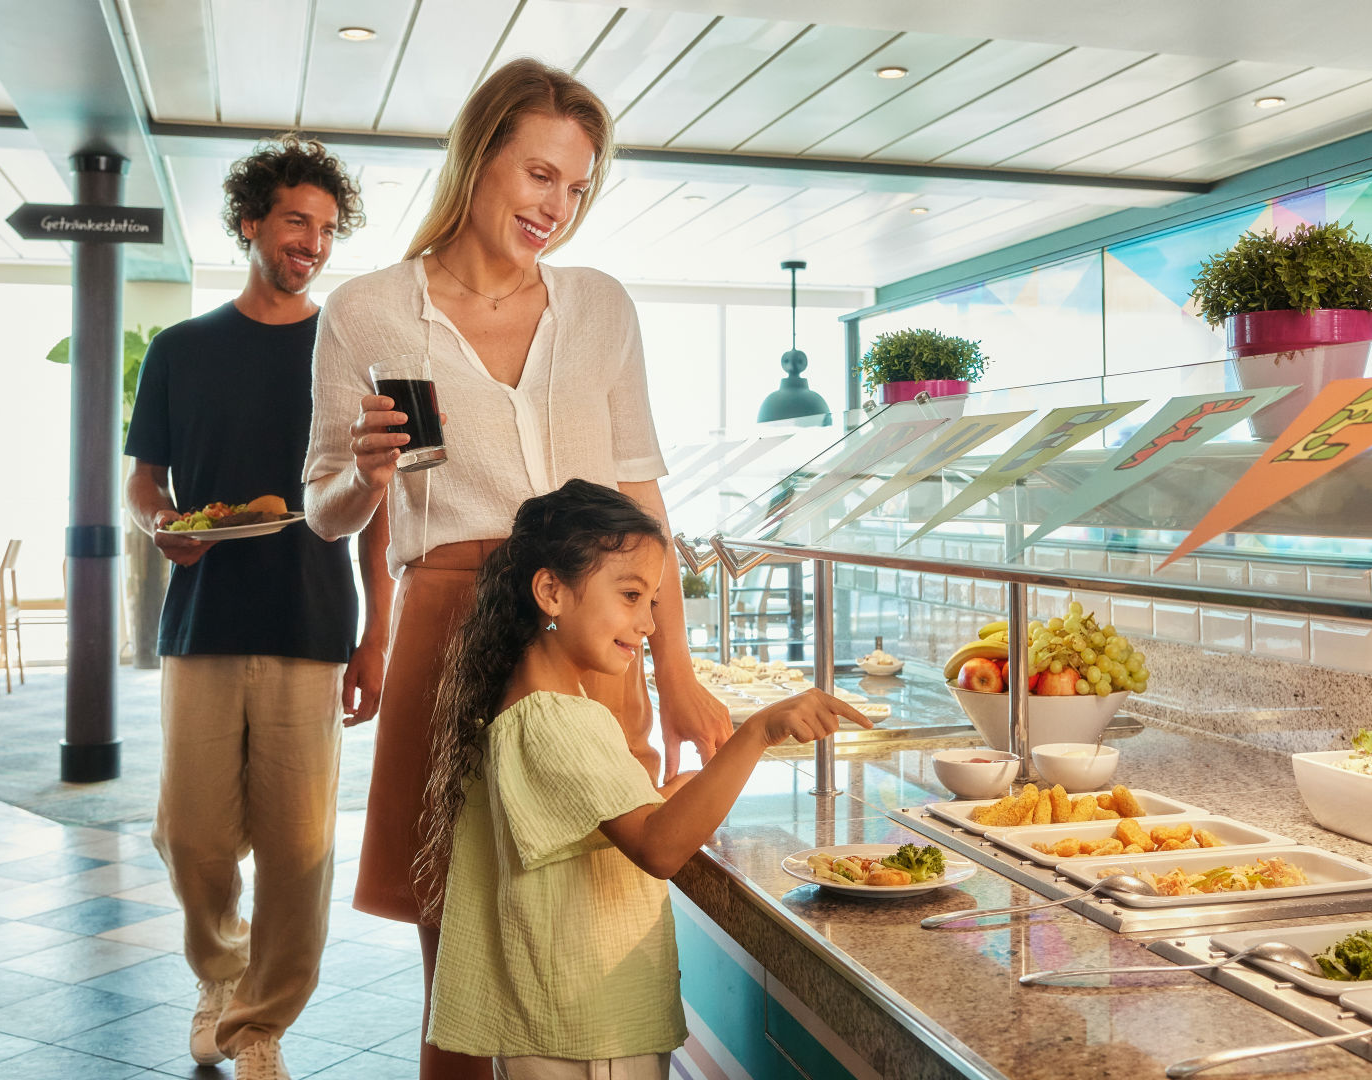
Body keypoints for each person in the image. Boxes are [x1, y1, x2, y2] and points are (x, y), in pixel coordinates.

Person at [302, 59, 731, 1080]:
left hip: (590, 633)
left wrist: (674, 669)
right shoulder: (367, 313)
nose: (558, 208)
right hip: (450, 625)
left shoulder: (600, 307)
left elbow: (644, 503)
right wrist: (364, 477)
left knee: (592, 908)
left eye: (578, 188)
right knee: (456, 935)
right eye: (541, 176)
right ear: (479, 154)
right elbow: (323, 509)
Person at [415, 480, 867, 1079]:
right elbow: (659, 845)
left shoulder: (533, 699)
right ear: (551, 591)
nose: (648, 624)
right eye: (630, 595)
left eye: (652, 601)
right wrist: (758, 731)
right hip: (588, 1032)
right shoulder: (557, 719)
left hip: (559, 1025)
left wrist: (692, 784)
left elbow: (616, 816)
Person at [125, 134, 391, 1080]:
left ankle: (261, 1023)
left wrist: (376, 640)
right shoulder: (180, 350)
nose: (310, 242)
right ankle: (219, 974)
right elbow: (144, 482)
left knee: (299, 848)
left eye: (324, 229)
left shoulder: (350, 356)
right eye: (293, 221)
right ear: (250, 223)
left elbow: (378, 512)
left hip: (312, 624)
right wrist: (162, 525)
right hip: (200, 621)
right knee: (191, 832)